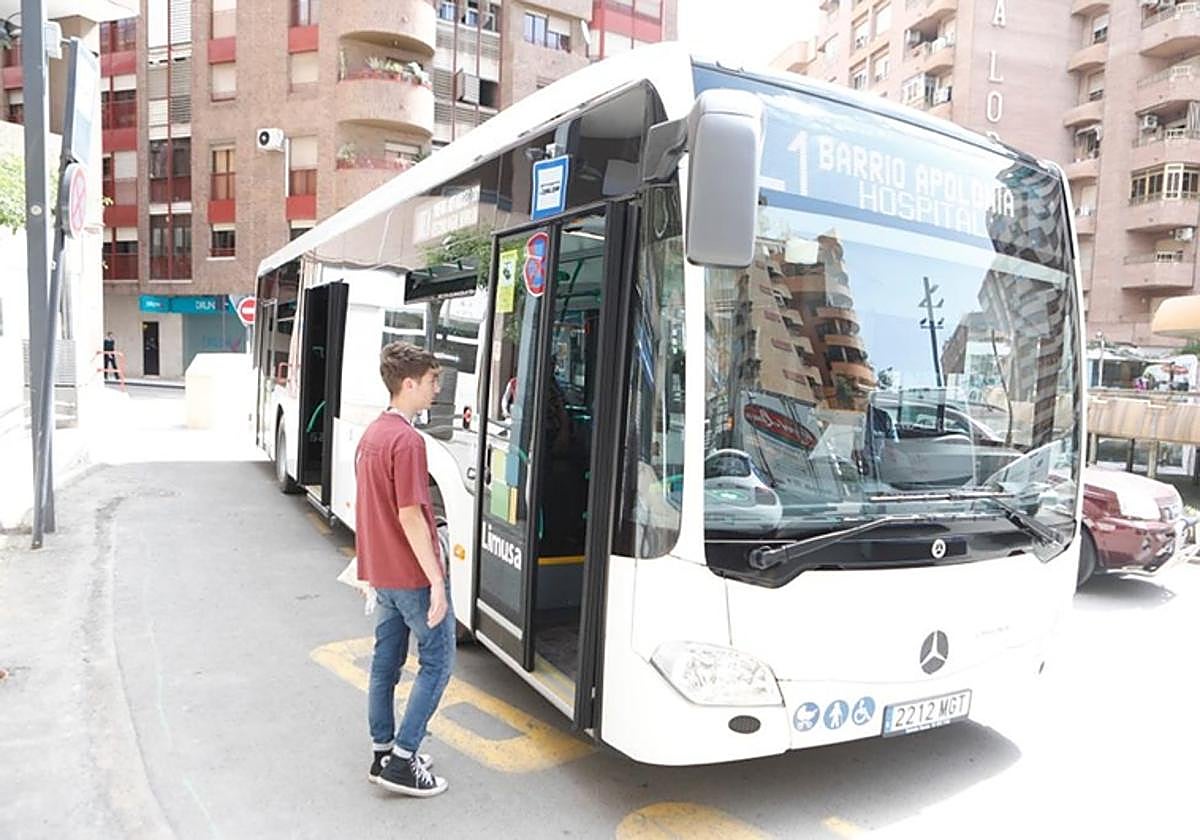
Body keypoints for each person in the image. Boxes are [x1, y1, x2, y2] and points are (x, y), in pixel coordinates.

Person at [355, 341, 453, 798]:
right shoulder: (408, 441)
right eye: (432, 380)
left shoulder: (372, 435)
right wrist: (436, 581)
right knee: (437, 662)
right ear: (408, 384)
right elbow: (410, 514)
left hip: (382, 574)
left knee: (385, 664)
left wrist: (366, 569)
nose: (437, 389)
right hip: (411, 575)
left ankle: (383, 752)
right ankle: (403, 759)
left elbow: (369, 508)